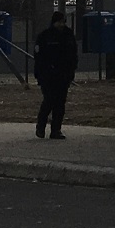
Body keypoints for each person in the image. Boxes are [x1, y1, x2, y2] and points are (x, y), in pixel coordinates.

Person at [34, 10, 79, 140]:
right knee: (49, 101)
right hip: (48, 76)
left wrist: (71, 71)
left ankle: (56, 130)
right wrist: (40, 74)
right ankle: (41, 127)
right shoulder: (45, 36)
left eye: (63, 22)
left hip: (63, 75)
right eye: (59, 22)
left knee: (60, 103)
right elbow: (39, 58)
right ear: (53, 22)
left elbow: (73, 55)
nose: (61, 25)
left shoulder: (68, 35)